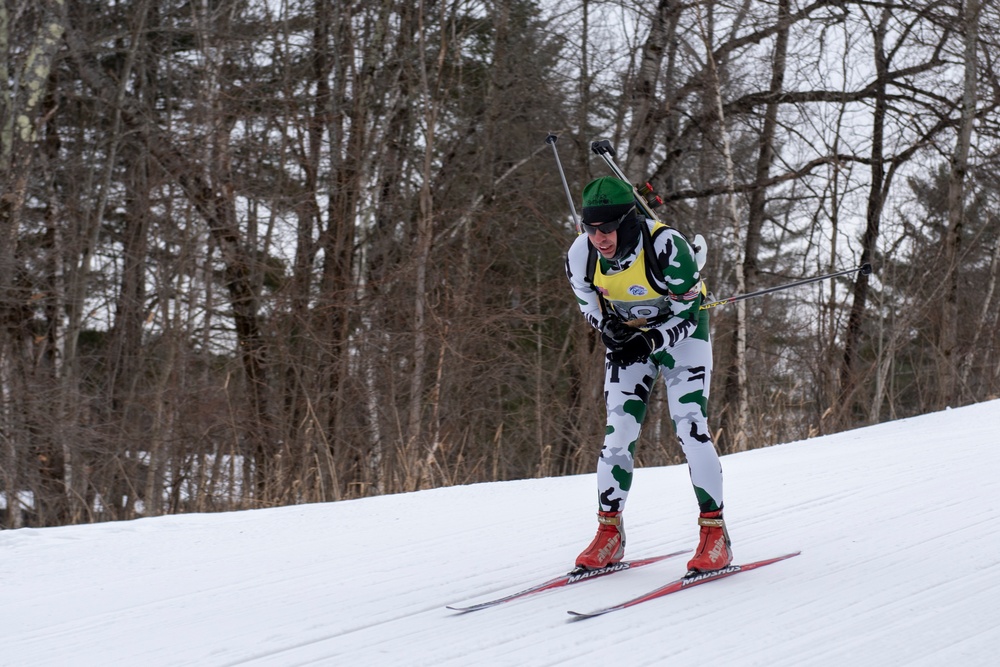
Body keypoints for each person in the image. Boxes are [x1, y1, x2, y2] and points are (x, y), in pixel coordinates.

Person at [564, 175, 732, 574]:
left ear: (629, 221)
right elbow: (588, 305)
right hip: (628, 344)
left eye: (608, 228)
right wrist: (608, 329)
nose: (600, 237)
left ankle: (715, 534)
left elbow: (691, 314)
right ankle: (610, 533)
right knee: (617, 433)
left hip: (681, 338)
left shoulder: (667, 246)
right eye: (591, 228)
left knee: (690, 425)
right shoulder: (580, 255)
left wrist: (651, 339)